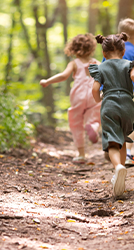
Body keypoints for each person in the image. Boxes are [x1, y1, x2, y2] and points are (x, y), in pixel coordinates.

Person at [89, 33, 134, 197]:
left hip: (109, 106)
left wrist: (98, 100)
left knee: (112, 141)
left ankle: (117, 168)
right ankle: (121, 172)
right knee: (123, 138)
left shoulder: (101, 67)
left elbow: (94, 89)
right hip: (127, 105)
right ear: (123, 51)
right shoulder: (130, 64)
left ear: (103, 54)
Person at [40, 34, 101, 164]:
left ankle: (81, 154)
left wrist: (47, 81)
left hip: (78, 95)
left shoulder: (74, 64)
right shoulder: (97, 63)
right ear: (92, 48)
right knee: (95, 115)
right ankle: (94, 126)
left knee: (76, 122)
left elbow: (63, 76)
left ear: (73, 49)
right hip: (93, 94)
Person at [103, 18, 134, 166]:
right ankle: (126, 153)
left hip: (108, 96)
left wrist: (101, 93)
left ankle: (112, 148)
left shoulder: (108, 54)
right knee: (129, 125)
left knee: (112, 123)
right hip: (127, 95)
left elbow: (103, 74)